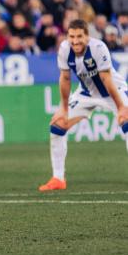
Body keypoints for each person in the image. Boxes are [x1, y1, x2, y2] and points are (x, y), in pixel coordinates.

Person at [39, 19, 128, 192]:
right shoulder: (64, 49)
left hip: (113, 91)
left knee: (127, 123)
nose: (75, 41)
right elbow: (65, 79)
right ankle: (58, 178)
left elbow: (106, 79)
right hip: (86, 93)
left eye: (79, 36)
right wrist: (63, 109)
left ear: (87, 36)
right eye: (72, 36)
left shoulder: (98, 48)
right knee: (57, 125)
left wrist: (121, 108)